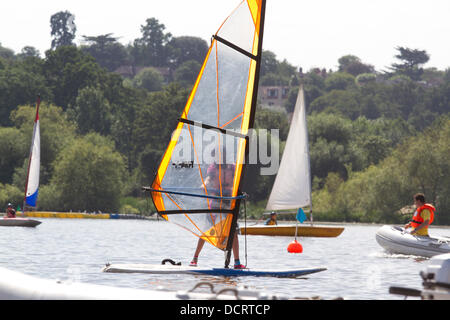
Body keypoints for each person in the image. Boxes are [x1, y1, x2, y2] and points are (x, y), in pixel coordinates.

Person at [190, 148, 245, 269]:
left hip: (229, 203)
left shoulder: (232, 167)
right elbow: (209, 179)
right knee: (205, 231)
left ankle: (236, 262)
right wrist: (203, 186)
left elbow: (238, 181)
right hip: (215, 202)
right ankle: (195, 258)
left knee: (233, 231)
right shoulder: (213, 168)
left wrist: (241, 193)